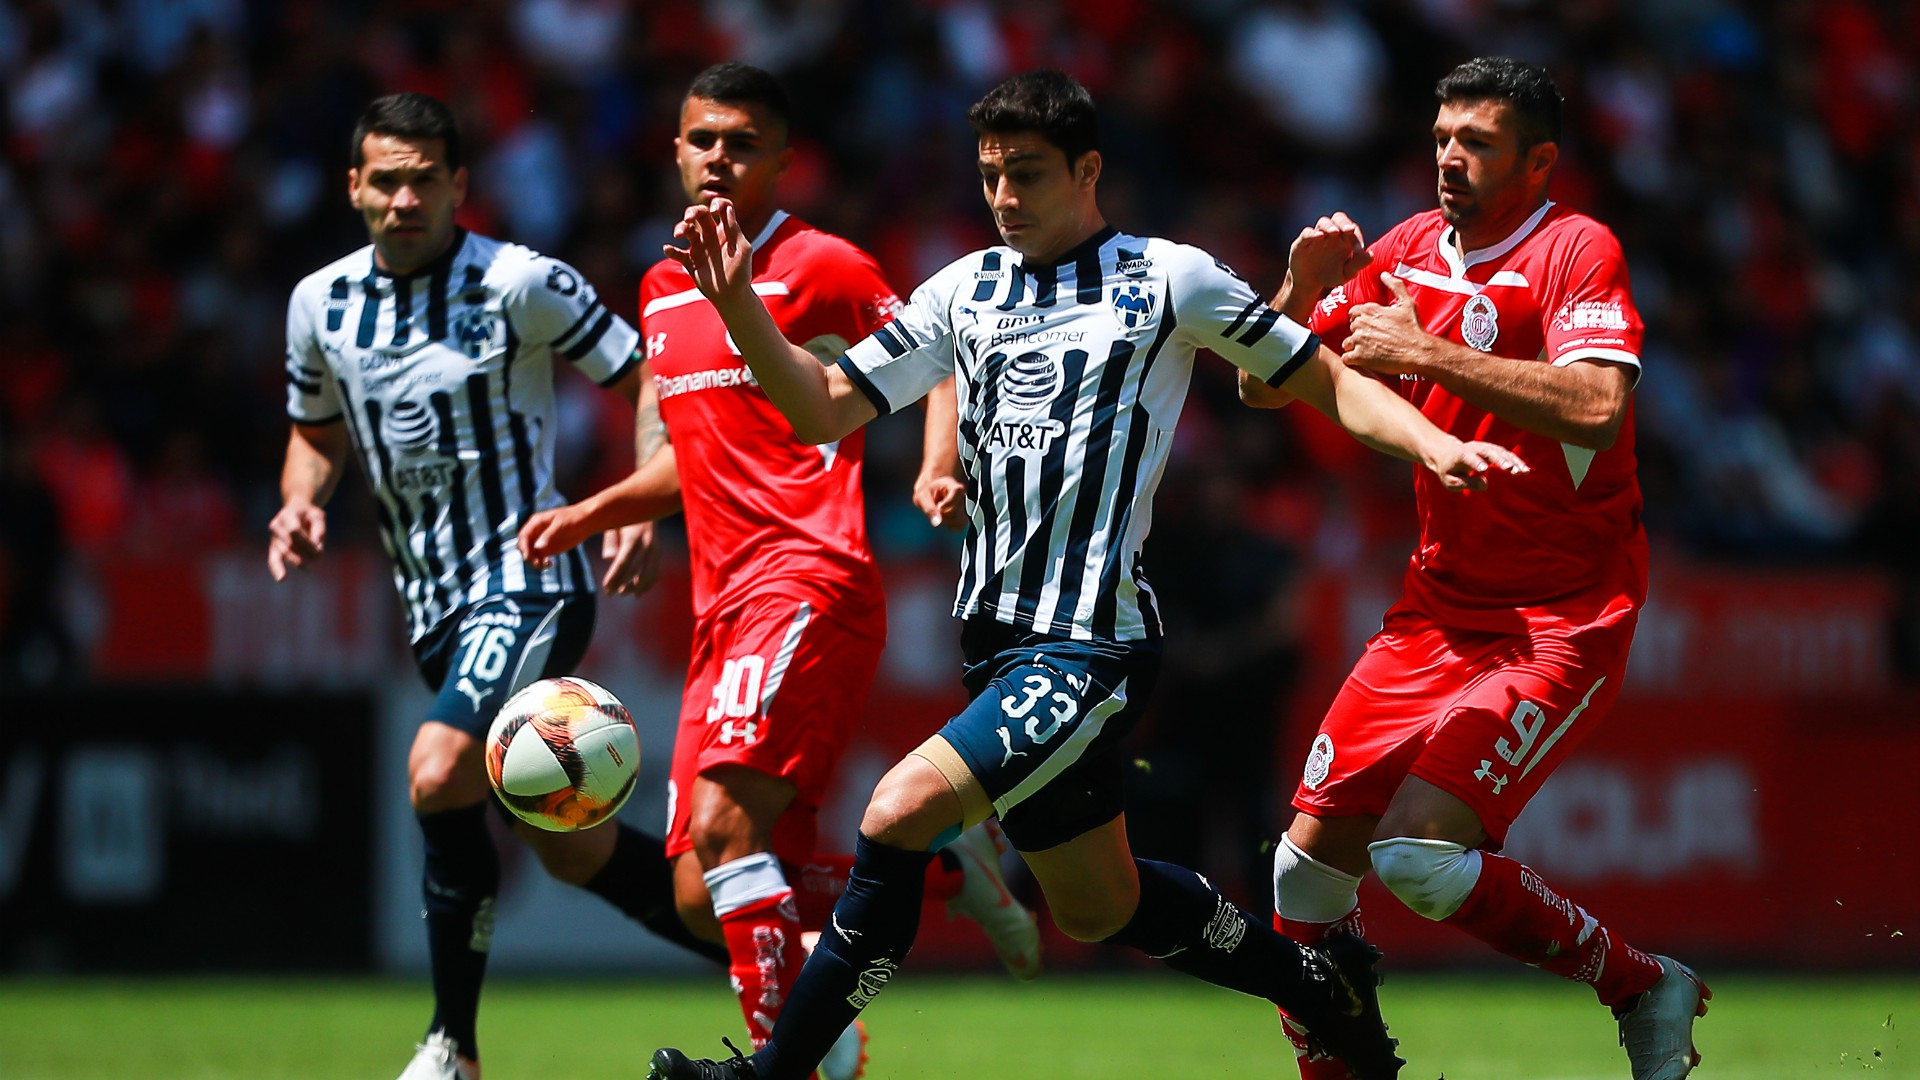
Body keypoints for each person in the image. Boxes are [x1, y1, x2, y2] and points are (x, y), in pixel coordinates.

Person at [645, 68, 1530, 1080]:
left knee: (894, 816)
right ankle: (1318, 986)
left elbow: (1318, 379)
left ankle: (772, 1074)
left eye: (1027, 173)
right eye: (990, 176)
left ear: (1089, 169)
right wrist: (737, 309)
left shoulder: (1168, 278)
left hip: (1090, 645)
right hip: (998, 645)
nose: (1006, 197)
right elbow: (823, 407)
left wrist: (1430, 442)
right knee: (1098, 904)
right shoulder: (962, 289)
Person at [515, 62, 1041, 1079]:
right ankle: (936, 871)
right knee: (695, 892)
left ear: (784, 160)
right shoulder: (664, 284)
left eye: (743, 142)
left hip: (807, 574)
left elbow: (937, 355)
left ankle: (790, 1063)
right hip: (720, 601)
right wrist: (600, 509)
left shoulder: (826, 265)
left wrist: (938, 462)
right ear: (674, 149)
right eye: (703, 138)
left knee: (722, 830)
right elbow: (690, 450)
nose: (720, 158)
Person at [1240, 57, 1710, 1080]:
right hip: (1433, 614)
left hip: (1560, 616)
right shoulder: (1406, 250)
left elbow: (1597, 406)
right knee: (1303, 877)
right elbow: (1260, 387)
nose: (1450, 157)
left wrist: (1429, 357)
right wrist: (1300, 289)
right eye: (1444, 136)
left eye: (1478, 142)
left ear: (1539, 161)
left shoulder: (1576, 250)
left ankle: (1642, 985)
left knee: (1414, 857)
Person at [268, 92, 727, 1080]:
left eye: (424, 180)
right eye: (385, 180)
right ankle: (782, 968)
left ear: (458, 186)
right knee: (570, 849)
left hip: (529, 579)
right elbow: (315, 429)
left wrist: (641, 504)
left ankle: (450, 1047)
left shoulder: (520, 281)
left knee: (437, 769)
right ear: (354, 186)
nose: (404, 199)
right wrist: (301, 500)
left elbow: (649, 378)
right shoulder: (321, 304)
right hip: (431, 607)